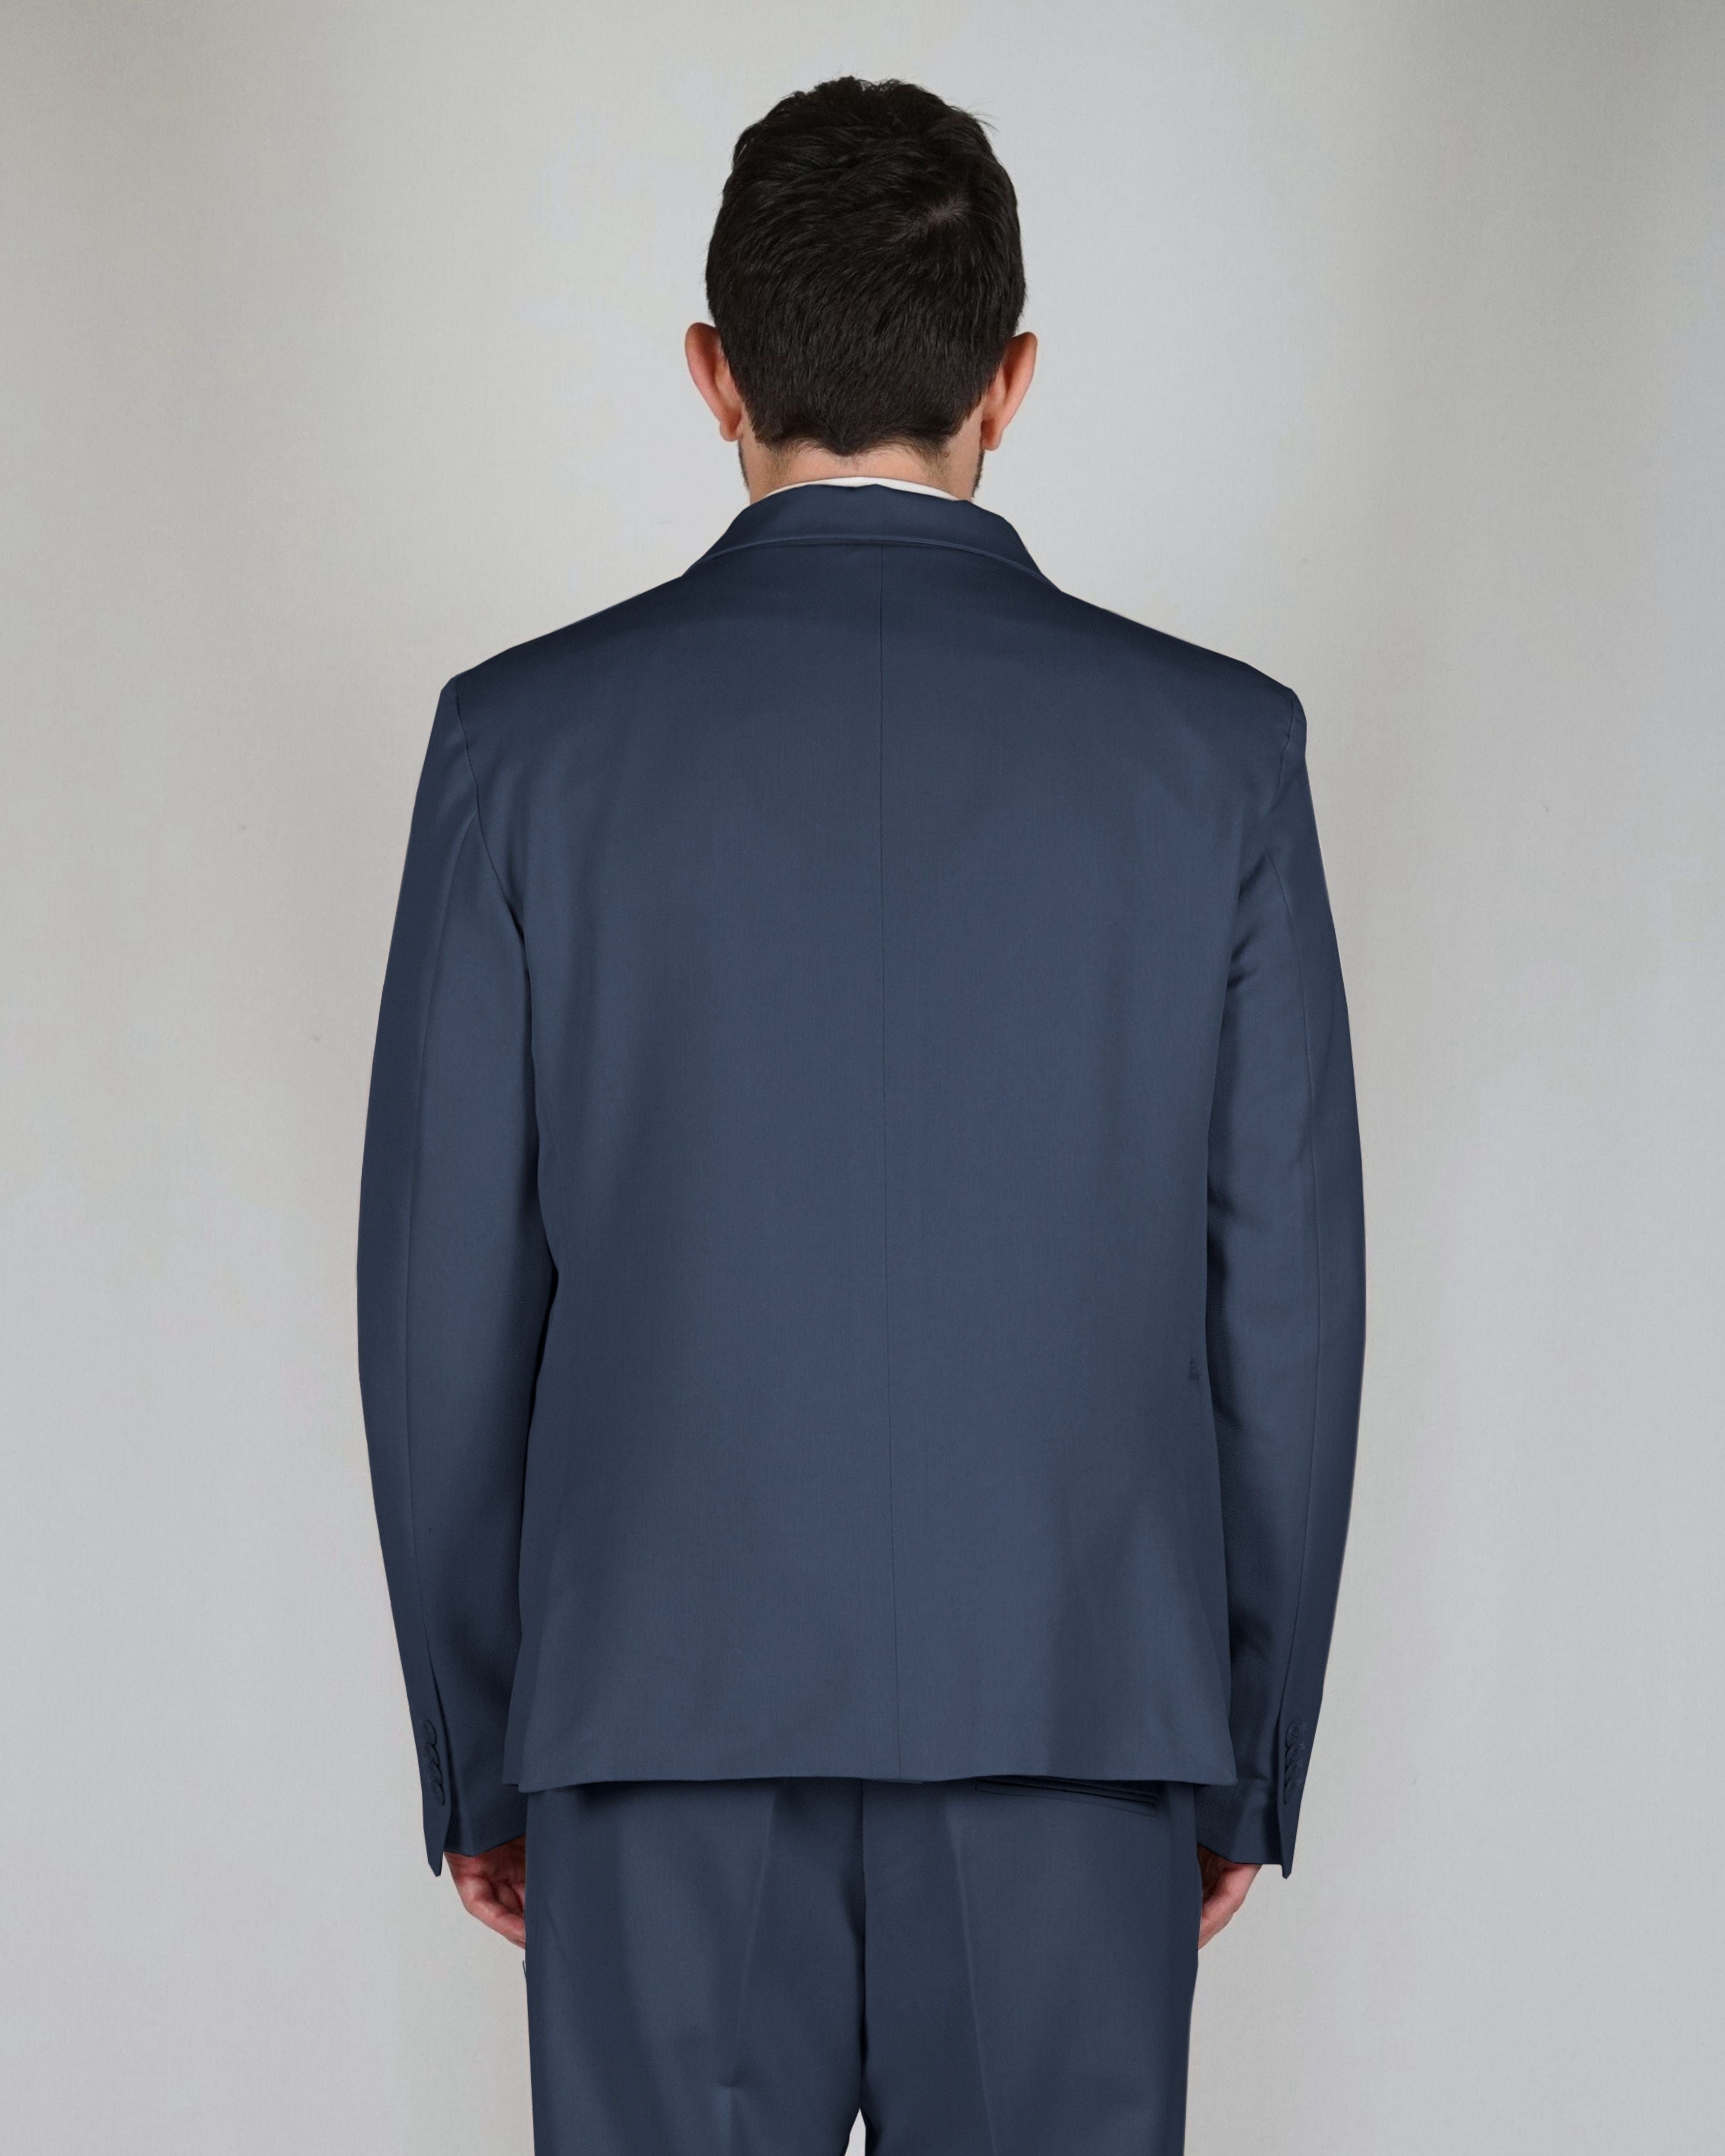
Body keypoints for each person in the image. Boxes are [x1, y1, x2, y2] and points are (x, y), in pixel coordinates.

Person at [358, 73, 1365, 2156]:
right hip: (1079, 1718)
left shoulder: (520, 748)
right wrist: (1236, 1745)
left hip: (650, 1726)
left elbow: (443, 1302)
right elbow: (1283, 1300)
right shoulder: (1217, 758)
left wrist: (487, 1744)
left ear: (714, 373)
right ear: (1011, 382)